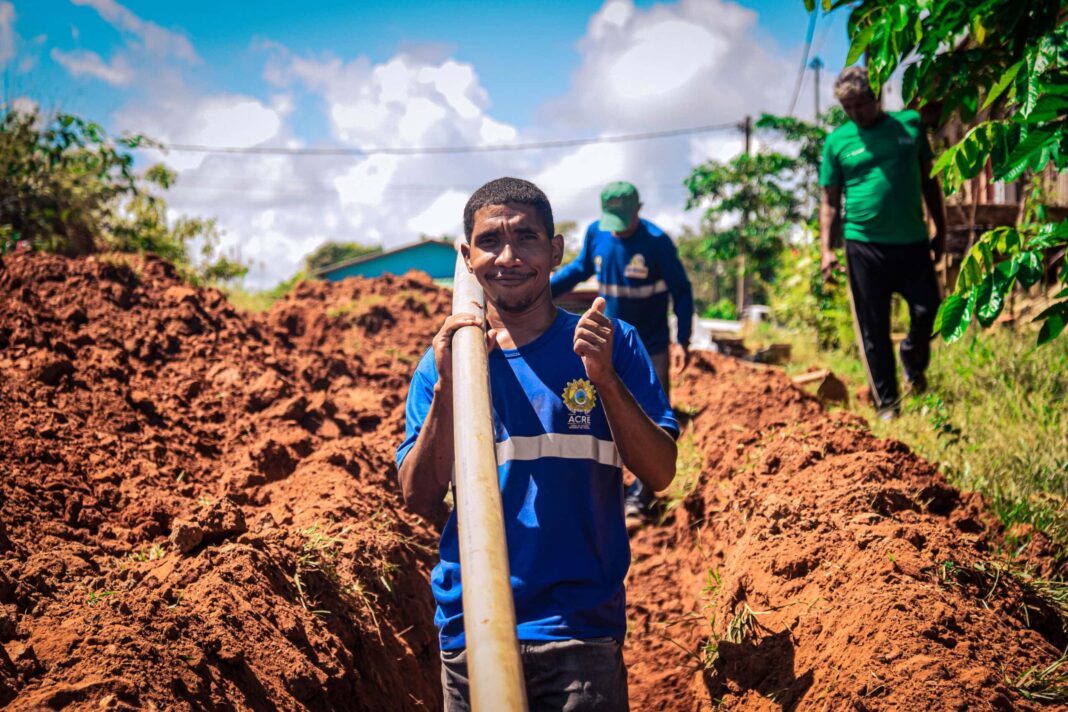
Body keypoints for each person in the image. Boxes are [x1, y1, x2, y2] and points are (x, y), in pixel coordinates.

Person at [396, 177, 679, 711]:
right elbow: (417, 496)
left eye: (526, 238)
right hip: (470, 631)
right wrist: (450, 389)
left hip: (580, 632)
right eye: (489, 242)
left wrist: (604, 380)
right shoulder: (443, 364)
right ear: (466, 255)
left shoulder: (612, 345)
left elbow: (660, 473)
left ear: (555, 250)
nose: (508, 256)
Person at [549, 181, 693, 522]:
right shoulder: (596, 234)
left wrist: (683, 340)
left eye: (624, 220)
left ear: (639, 211)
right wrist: (541, 291)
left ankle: (640, 499)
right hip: (607, 343)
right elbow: (578, 269)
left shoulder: (656, 243)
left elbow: (683, 292)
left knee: (650, 422)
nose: (617, 229)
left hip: (651, 346)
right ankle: (602, 490)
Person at [819, 66, 947, 419]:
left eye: (861, 104)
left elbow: (930, 183)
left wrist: (941, 228)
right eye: (848, 108)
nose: (857, 113)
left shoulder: (910, 126)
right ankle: (888, 404)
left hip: (912, 241)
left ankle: (912, 357)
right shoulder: (837, 142)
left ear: (878, 96)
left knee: (929, 309)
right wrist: (826, 250)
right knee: (872, 327)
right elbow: (830, 202)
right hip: (863, 245)